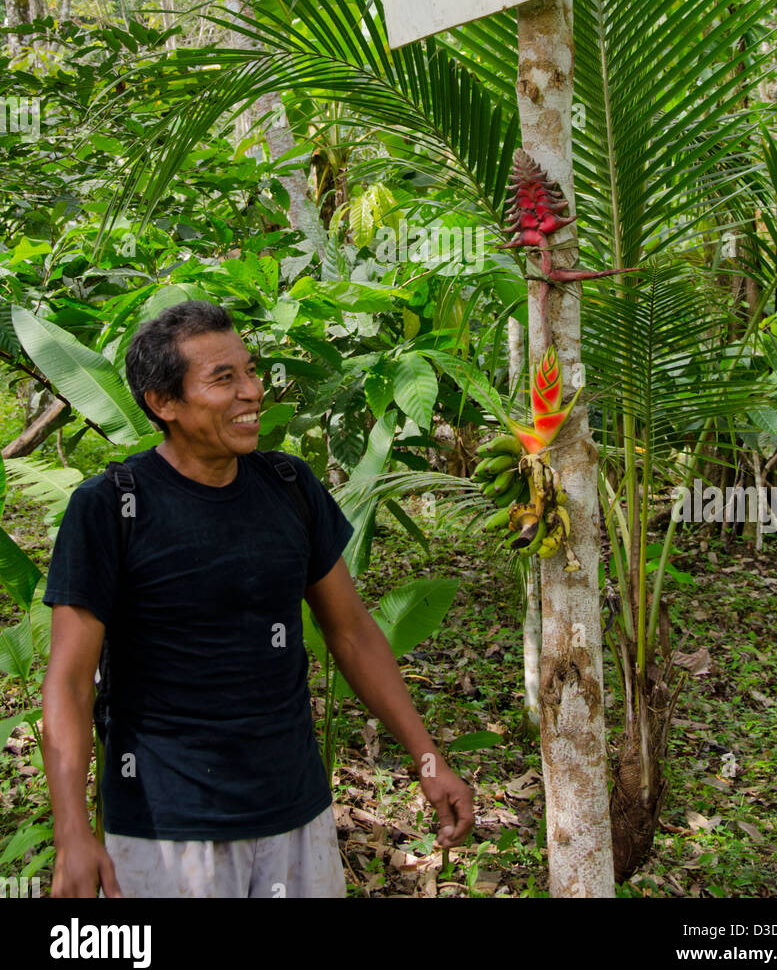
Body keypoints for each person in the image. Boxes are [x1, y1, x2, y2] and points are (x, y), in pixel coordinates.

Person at [41, 300, 474, 898]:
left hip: (296, 815)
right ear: (163, 403)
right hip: (167, 831)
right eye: (224, 379)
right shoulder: (111, 506)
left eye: (250, 371)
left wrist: (427, 759)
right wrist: (71, 831)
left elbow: (351, 632)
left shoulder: (290, 487)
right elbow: (68, 680)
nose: (252, 391)